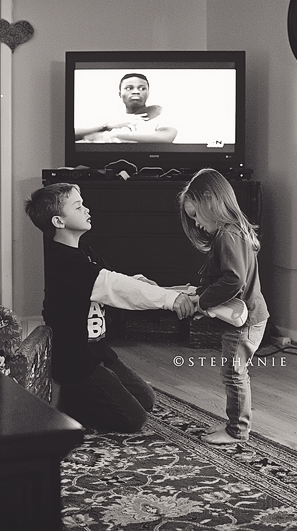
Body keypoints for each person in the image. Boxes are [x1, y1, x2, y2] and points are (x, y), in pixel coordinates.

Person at [25, 182, 195, 432]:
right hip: (77, 363)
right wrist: (170, 300)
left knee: (147, 400)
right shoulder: (63, 263)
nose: (87, 209)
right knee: (133, 419)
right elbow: (110, 285)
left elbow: (109, 280)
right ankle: (70, 404)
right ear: (59, 222)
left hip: (99, 352)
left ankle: (91, 393)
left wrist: (148, 285)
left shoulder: (83, 251)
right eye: (78, 206)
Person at [178, 168, 269, 444]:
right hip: (248, 317)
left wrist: (203, 302)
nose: (195, 224)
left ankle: (237, 430)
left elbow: (234, 279)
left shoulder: (228, 235)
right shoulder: (232, 233)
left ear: (210, 200)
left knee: (233, 372)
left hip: (246, 321)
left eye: (195, 215)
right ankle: (234, 425)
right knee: (233, 371)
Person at [75, 73, 178, 143]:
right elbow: (72, 135)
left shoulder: (159, 116)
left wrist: (116, 135)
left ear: (148, 93)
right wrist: (106, 127)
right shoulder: (109, 119)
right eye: (129, 88)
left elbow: (167, 137)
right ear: (120, 94)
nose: (136, 91)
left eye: (142, 88)